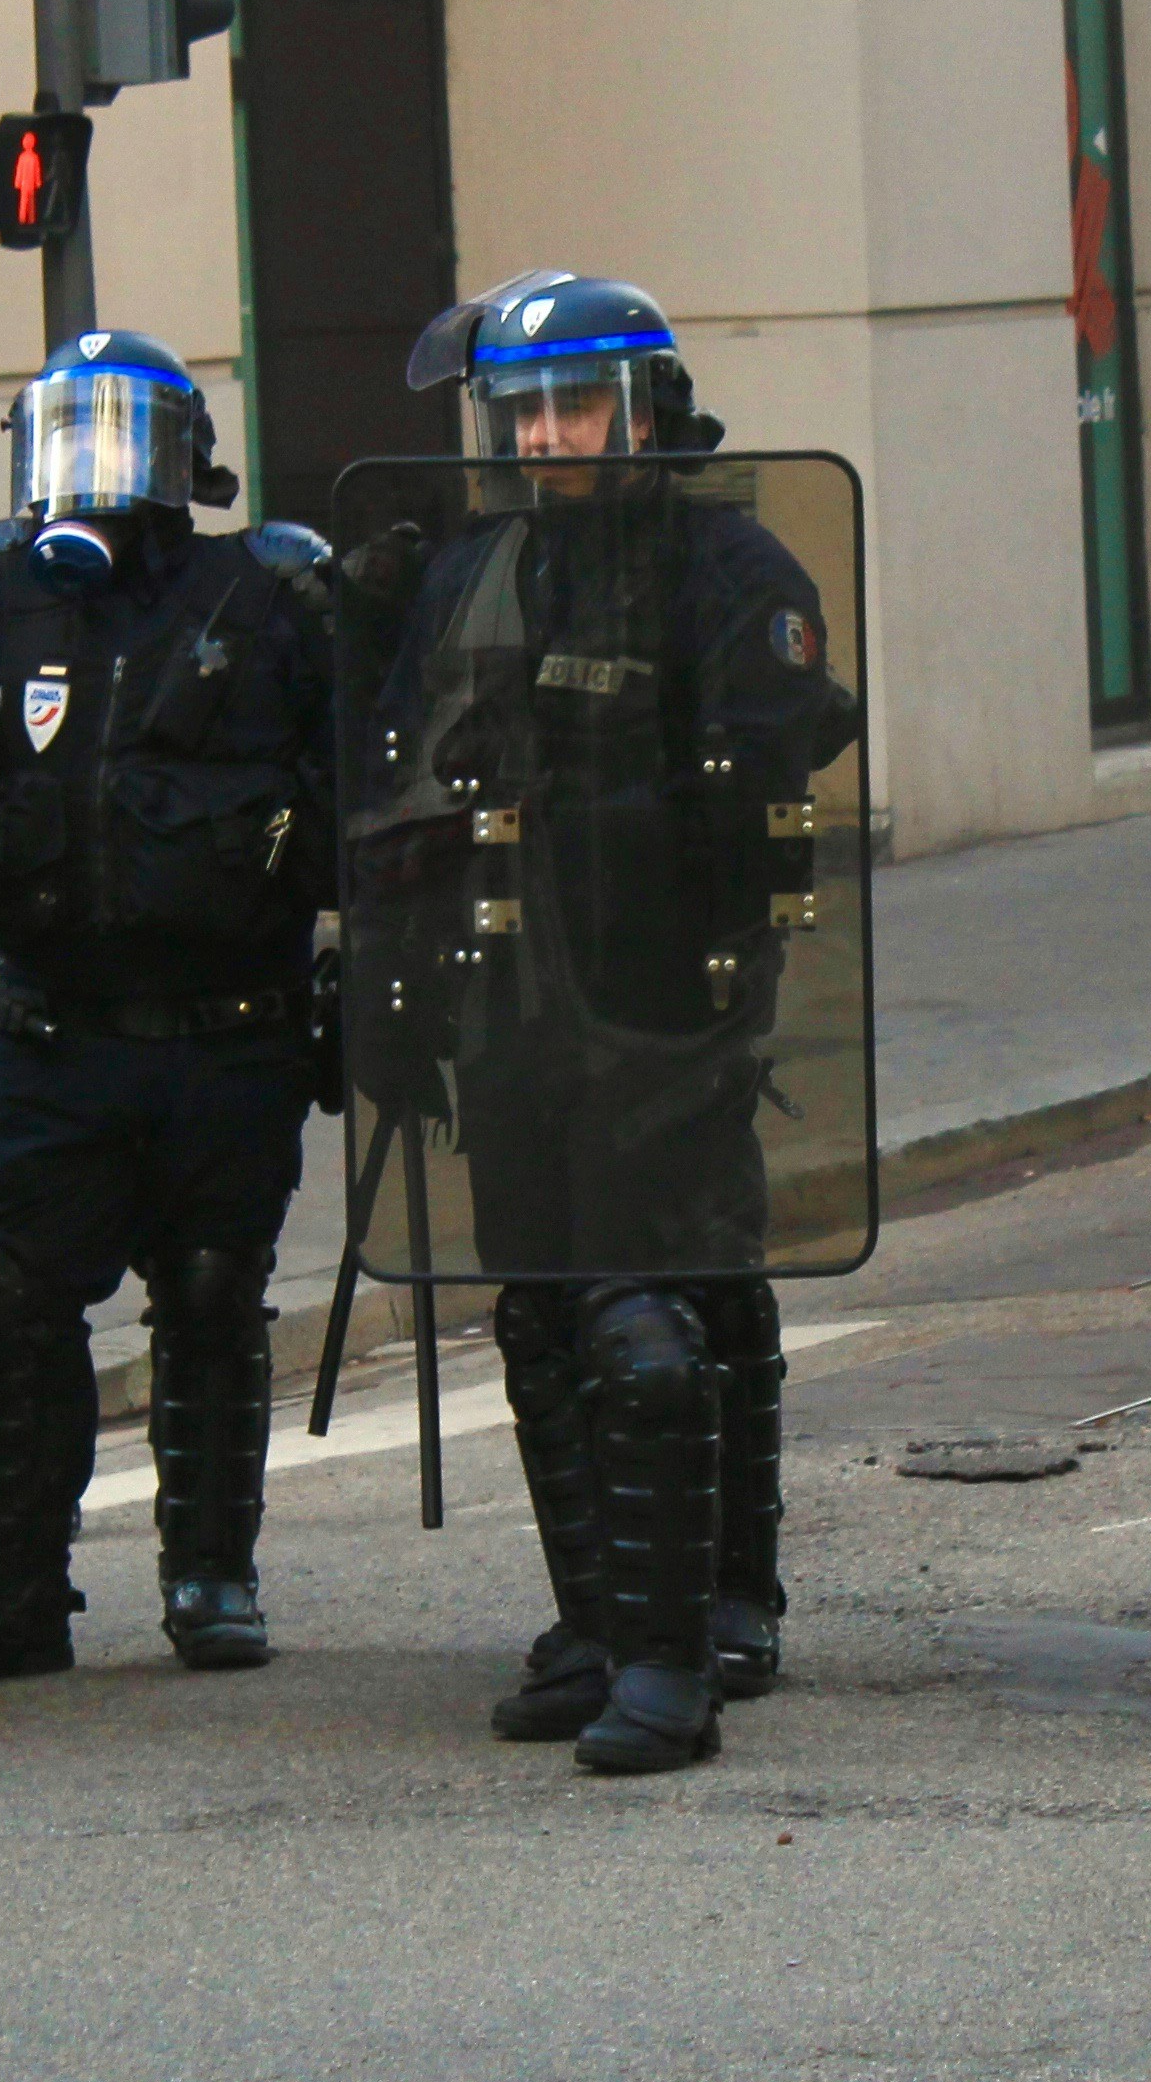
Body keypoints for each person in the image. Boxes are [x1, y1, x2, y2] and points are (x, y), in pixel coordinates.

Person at [356, 272, 856, 1773]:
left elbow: (758, 779)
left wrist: (588, 784)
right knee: (544, 1308)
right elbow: (403, 768)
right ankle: (598, 1615)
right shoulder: (481, 570)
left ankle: (681, 1641)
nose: (554, 435)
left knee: (654, 1313)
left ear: (648, 411)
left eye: (579, 405)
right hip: (509, 994)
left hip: (661, 996)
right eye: (528, 412)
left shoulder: (727, 567)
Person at [0, 331, 331, 1690]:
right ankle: (12, 1592)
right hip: (54, 1031)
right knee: (4, 1293)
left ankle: (210, 1577)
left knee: (209, 1295)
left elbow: (369, 772)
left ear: (190, 460)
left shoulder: (264, 597)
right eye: (72, 433)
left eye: (129, 435)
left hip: (229, 1027)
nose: (100, 468)